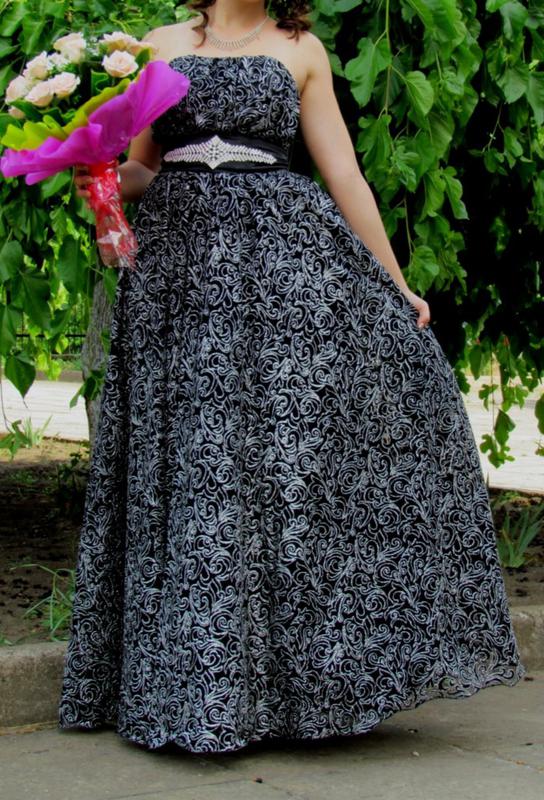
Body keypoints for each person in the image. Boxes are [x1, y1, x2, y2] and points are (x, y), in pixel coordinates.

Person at [59, 0, 526, 754]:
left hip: (280, 275)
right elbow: (142, 166)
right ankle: (196, 691)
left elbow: (345, 175)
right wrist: (96, 169)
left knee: (276, 469)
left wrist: (395, 283)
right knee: (196, 465)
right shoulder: (156, 45)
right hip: (179, 276)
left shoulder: (303, 49)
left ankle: (290, 692)